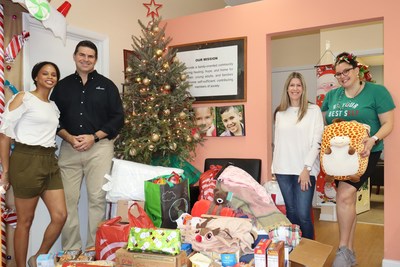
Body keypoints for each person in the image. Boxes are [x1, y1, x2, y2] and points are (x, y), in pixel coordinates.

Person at [321, 52, 395, 267]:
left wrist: (373, 139)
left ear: (357, 70)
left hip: (365, 153)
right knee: (347, 200)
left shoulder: (377, 92)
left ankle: (342, 250)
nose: (342, 76)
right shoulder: (333, 96)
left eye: (346, 71)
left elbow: (388, 123)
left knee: (344, 196)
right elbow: (326, 124)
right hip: (337, 157)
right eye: (338, 74)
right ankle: (350, 253)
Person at [50, 40, 124, 252]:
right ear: (75, 56)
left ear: (95, 60)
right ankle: (72, 250)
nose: (85, 59)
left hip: (99, 148)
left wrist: (94, 137)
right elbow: (53, 118)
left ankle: (95, 250)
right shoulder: (62, 86)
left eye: (90, 56)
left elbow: (118, 117)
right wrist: (69, 137)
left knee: (97, 199)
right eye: (82, 55)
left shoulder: (107, 85)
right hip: (69, 148)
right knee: (67, 201)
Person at [0, 62, 67, 267]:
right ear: (36, 77)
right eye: (45, 73)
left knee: (60, 215)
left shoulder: (53, 106)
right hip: (25, 160)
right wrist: (6, 172)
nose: (49, 77)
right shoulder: (24, 97)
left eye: (53, 74)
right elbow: (4, 136)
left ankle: (37, 257)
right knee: (25, 221)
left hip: (49, 161)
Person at [271, 72, 324, 240]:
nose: (295, 88)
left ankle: (310, 254)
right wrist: (274, 168)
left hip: (304, 171)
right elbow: (277, 143)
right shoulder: (280, 113)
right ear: (287, 89)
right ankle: (294, 249)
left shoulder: (313, 110)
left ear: (303, 88)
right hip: (283, 169)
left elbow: (317, 141)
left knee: (303, 214)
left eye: (298, 85)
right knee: (291, 212)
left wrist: (307, 168)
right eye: (292, 85)